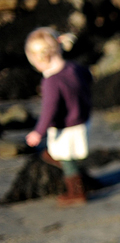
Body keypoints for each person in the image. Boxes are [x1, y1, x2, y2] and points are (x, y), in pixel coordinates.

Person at [24, 27, 93, 206]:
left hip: (66, 126)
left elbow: (49, 110)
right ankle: (77, 178)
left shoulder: (51, 81)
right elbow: (88, 78)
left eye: (34, 63)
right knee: (64, 153)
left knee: (66, 158)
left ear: (41, 58)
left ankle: (76, 192)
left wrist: (38, 132)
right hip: (82, 119)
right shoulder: (74, 67)